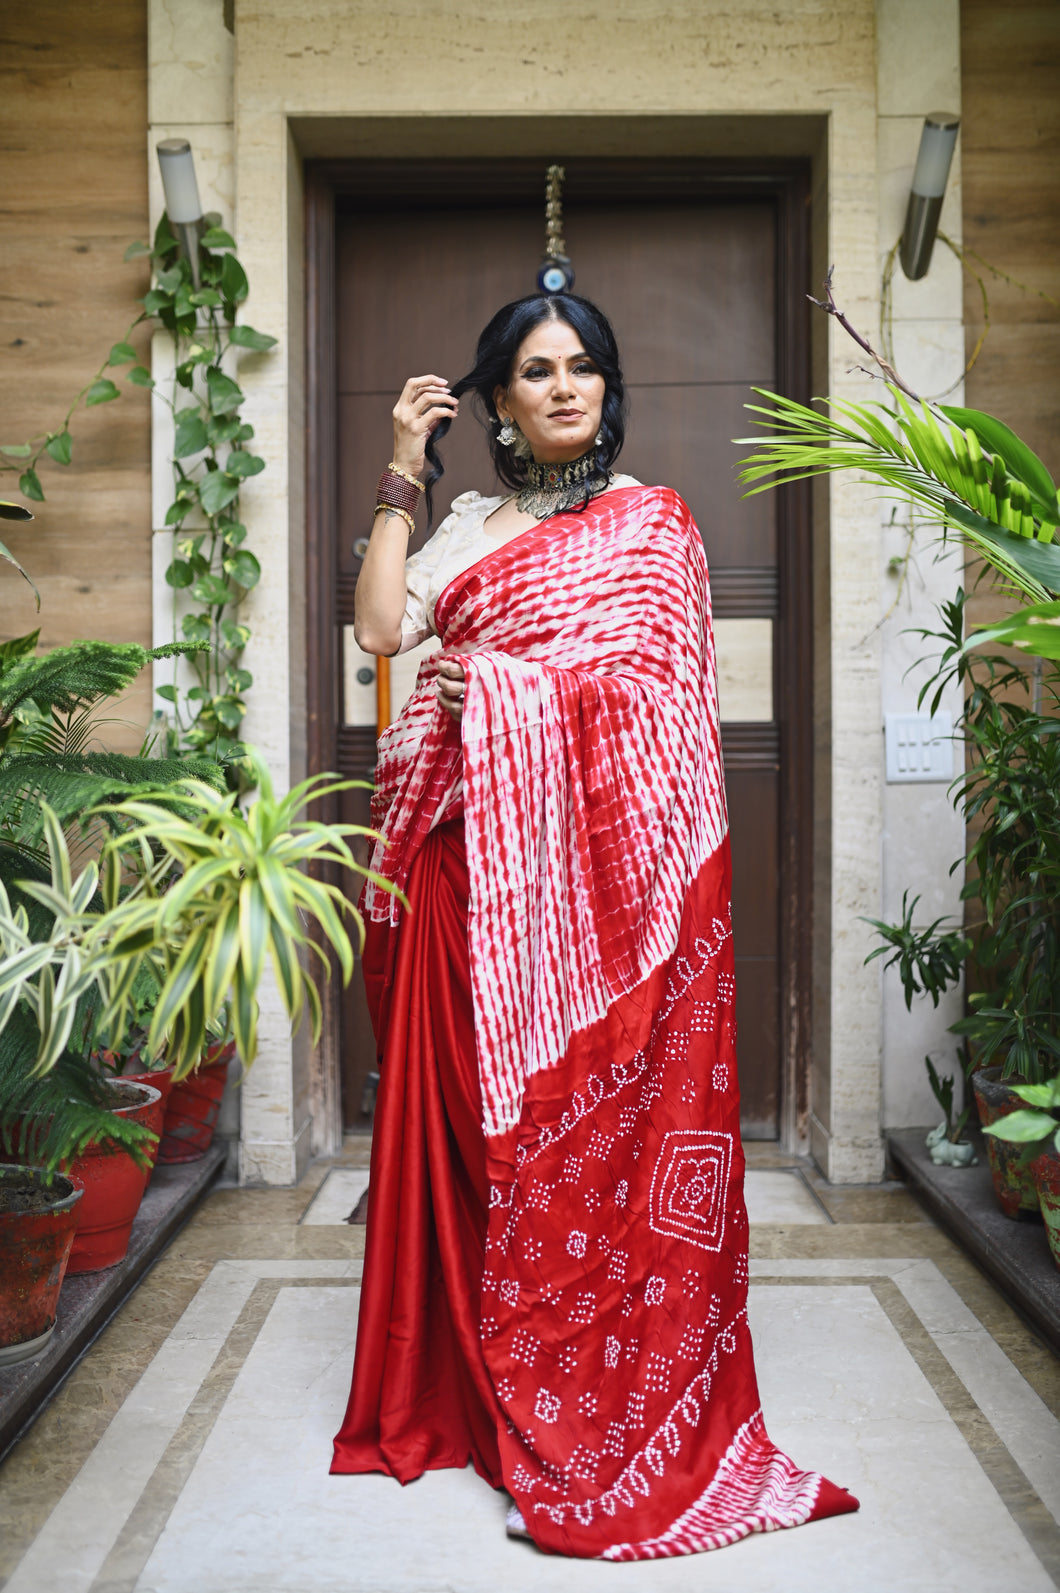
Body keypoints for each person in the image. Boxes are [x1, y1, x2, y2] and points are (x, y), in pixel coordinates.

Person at [331, 292, 858, 1559]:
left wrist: (503, 687)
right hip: (469, 870)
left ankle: (593, 1382)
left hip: (603, 912)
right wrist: (403, 470)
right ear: (500, 401)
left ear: (605, 392)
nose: (565, 388)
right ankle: (470, 1382)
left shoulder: (650, 528)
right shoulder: (465, 528)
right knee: (469, 1134)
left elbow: (662, 707)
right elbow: (381, 630)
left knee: (593, 1134)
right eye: (535, 371)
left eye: (583, 369)